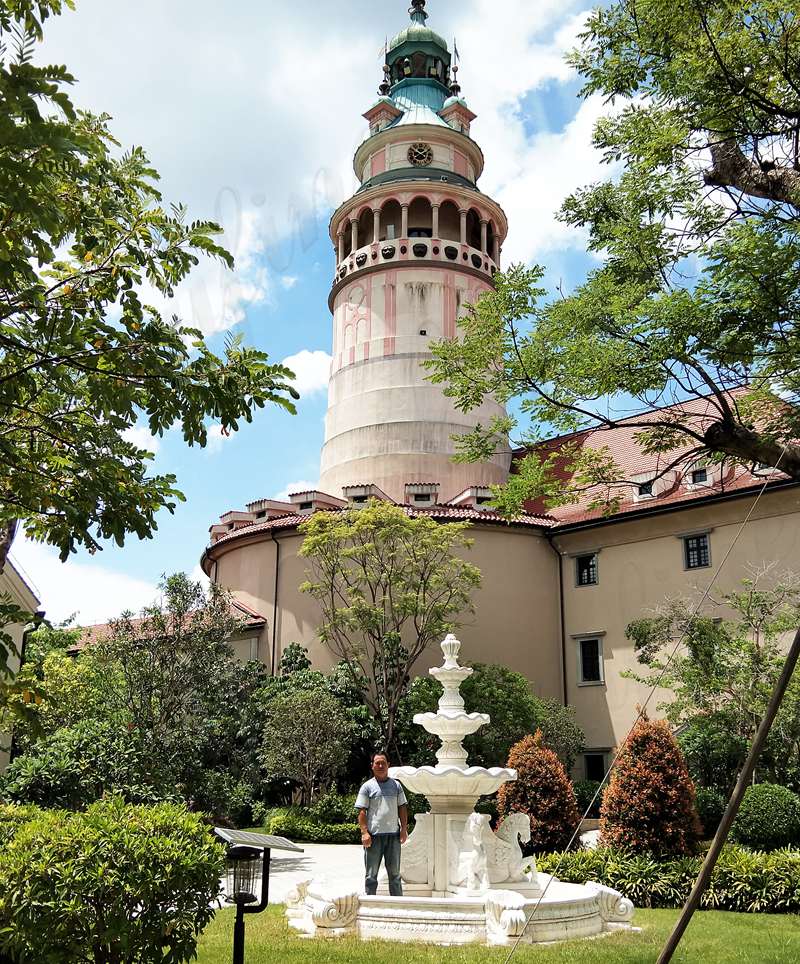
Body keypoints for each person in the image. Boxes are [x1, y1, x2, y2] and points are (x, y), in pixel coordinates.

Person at [355, 750, 408, 897]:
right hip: (374, 837)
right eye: (377, 763)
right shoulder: (367, 787)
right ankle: (370, 906)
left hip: (393, 837)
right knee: (371, 876)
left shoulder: (396, 786)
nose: (380, 766)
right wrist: (365, 833)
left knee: (395, 876)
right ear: (372, 766)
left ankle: (398, 907)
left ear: (388, 765)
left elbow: (402, 807)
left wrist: (404, 829)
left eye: (383, 763)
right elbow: (361, 812)